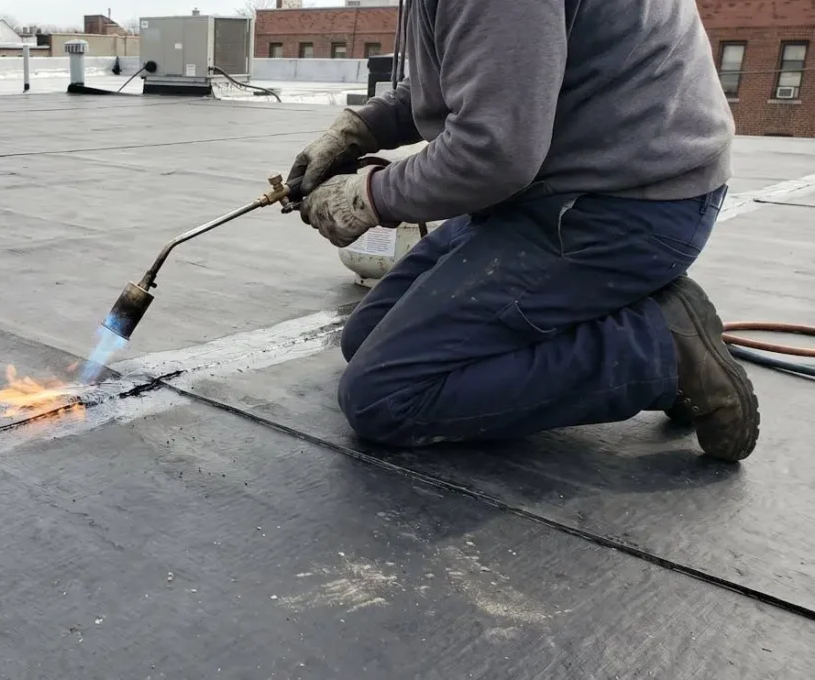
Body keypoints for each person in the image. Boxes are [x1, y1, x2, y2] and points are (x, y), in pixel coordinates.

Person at [289, 0, 759, 461]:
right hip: (558, 185)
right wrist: (362, 127)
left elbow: (492, 153)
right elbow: (482, 68)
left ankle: (658, 351)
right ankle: (624, 305)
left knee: (386, 397)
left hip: (626, 204)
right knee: (364, 337)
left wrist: (367, 198)